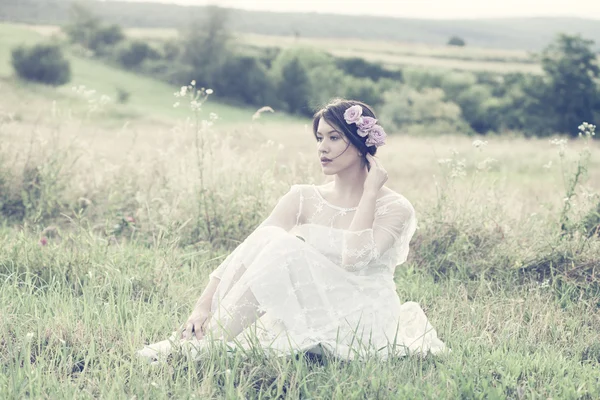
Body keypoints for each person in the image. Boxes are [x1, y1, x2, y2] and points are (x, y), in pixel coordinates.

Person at [138, 99, 447, 363]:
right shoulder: (304, 196)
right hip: (314, 307)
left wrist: (369, 194)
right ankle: (201, 338)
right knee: (271, 238)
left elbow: (354, 260)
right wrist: (202, 305)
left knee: (285, 248)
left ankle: (202, 347)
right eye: (319, 138)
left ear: (360, 143)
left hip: (363, 319)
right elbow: (251, 247)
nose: (322, 148)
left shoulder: (395, 208)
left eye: (334, 138)